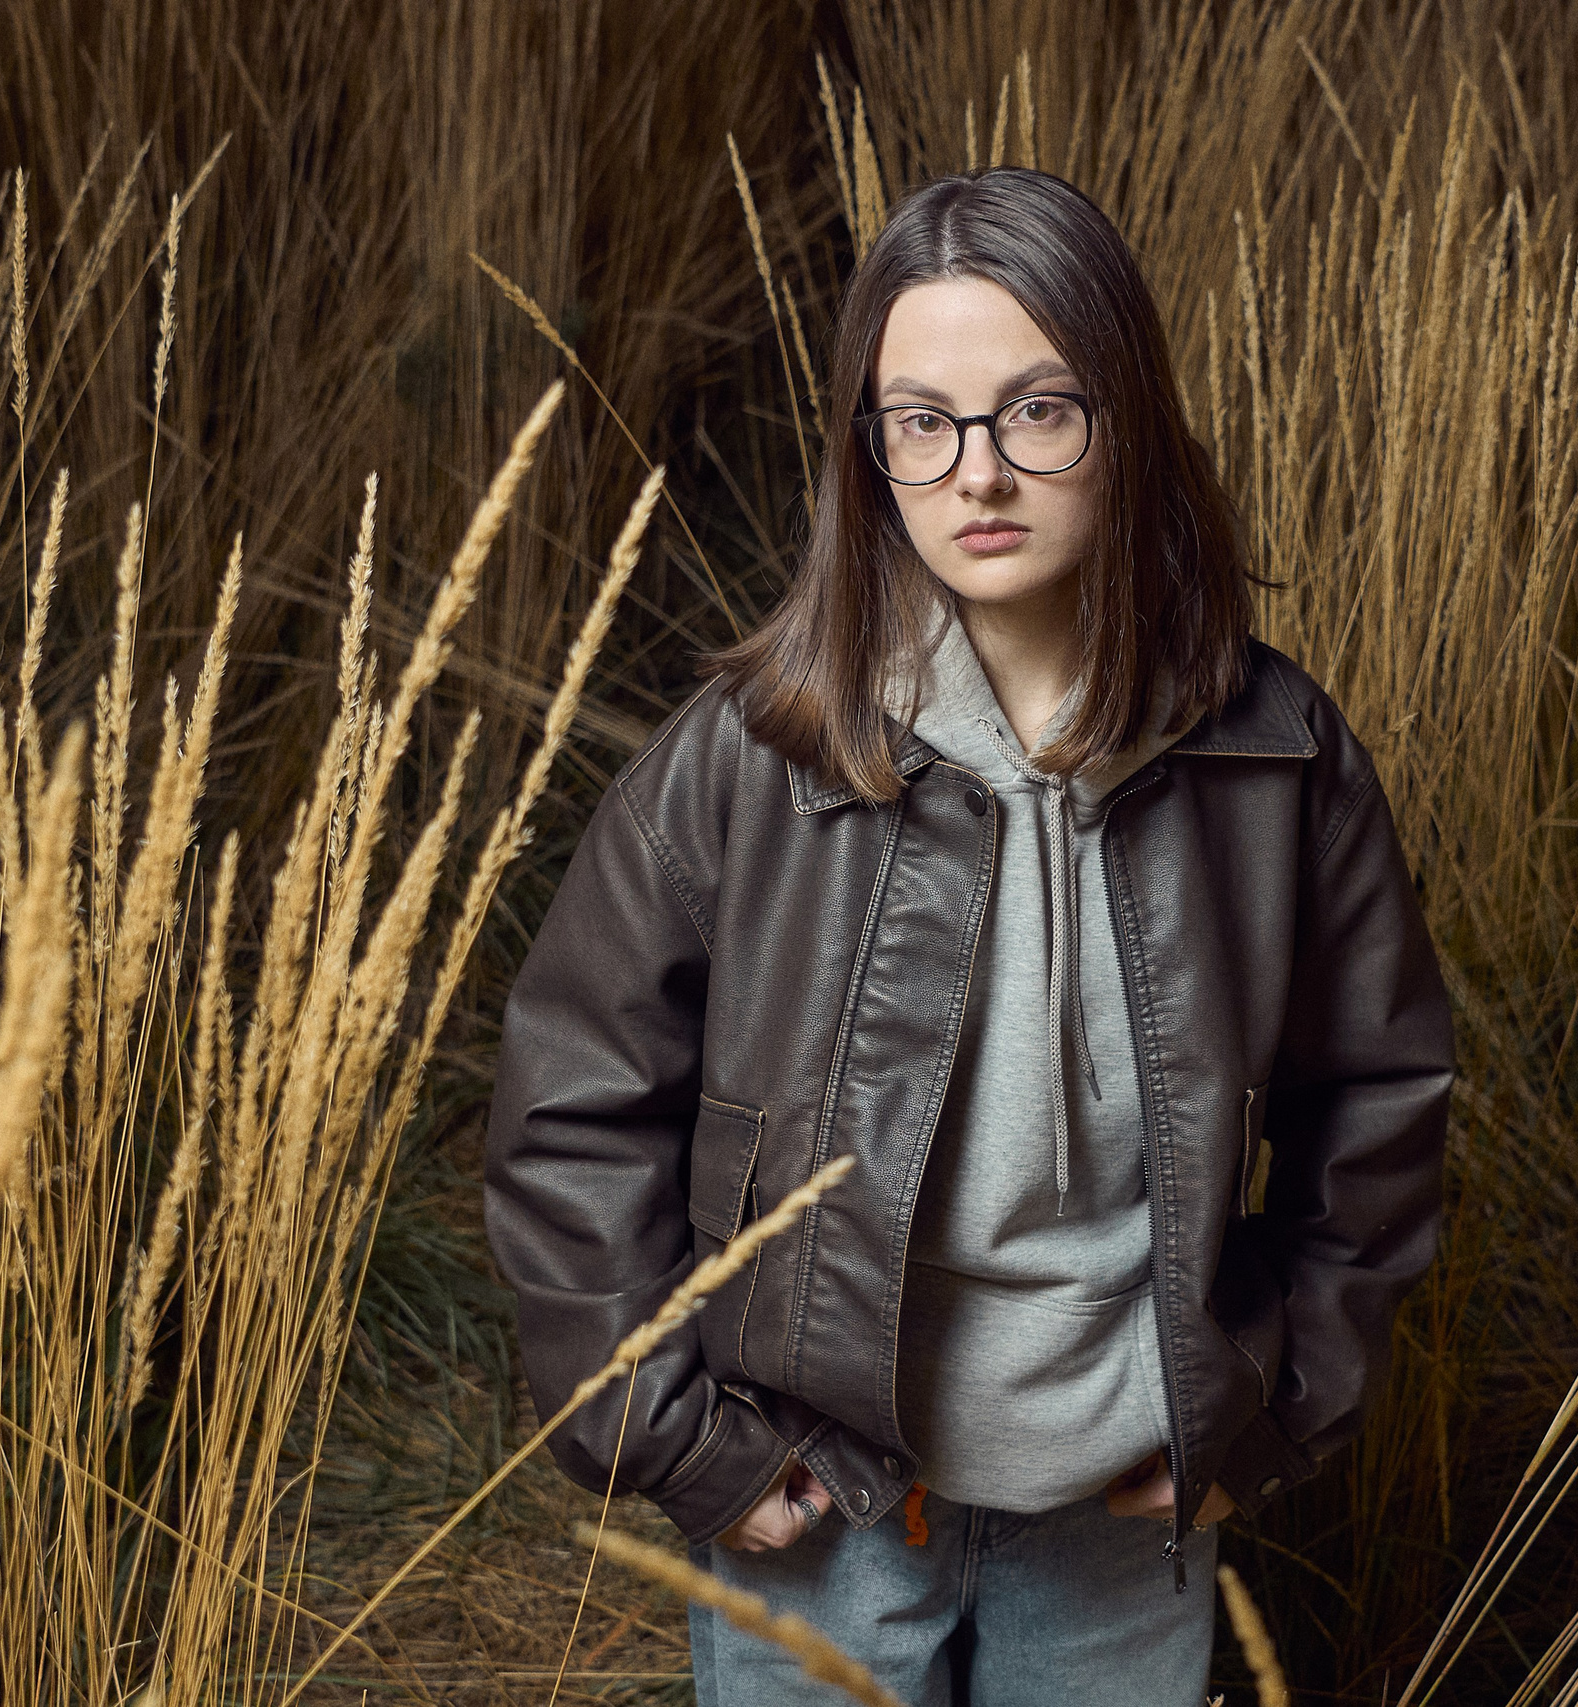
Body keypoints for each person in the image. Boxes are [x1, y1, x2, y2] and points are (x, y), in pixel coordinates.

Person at [483, 165, 1454, 1706]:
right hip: (820, 1500)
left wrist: (1267, 1413)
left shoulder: (1273, 758)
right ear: (870, 453)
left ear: (1125, 416)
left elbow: (1383, 1108)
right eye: (921, 422)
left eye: (1038, 411)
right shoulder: (752, 757)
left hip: (1127, 1509)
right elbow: (569, 1114)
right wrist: (677, 1441)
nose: (977, 474)